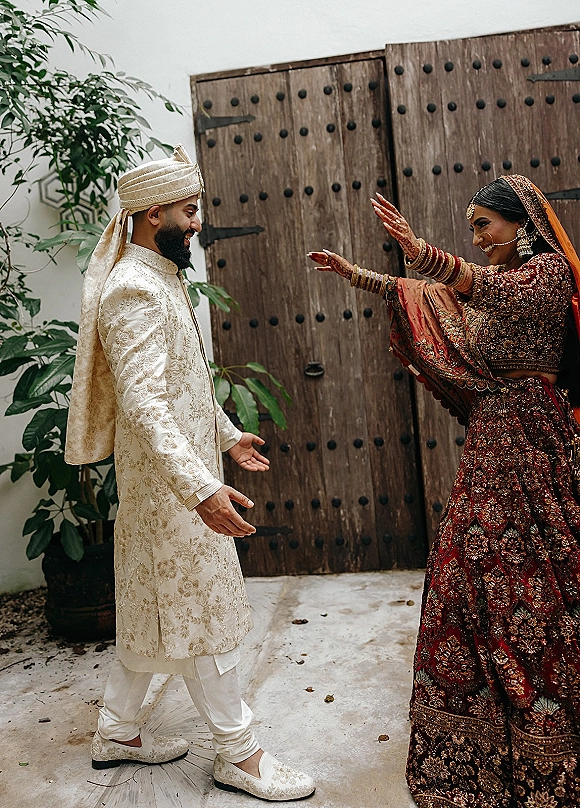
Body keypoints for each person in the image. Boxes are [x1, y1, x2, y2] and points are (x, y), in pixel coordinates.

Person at [308, 174, 580, 808]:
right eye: (473, 225)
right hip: (493, 439)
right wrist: (362, 277)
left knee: (540, 569)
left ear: (524, 223)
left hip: (534, 438)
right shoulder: (500, 285)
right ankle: (481, 729)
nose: (479, 235)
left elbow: (475, 286)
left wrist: (419, 244)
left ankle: (547, 722)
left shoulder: (545, 278)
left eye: (486, 223)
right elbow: (434, 297)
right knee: (470, 569)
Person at [65, 145, 315, 802]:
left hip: (180, 480)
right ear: (152, 215)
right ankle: (240, 753)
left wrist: (227, 438)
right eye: (188, 210)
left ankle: (118, 733)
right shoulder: (133, 290)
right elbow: (142, 402)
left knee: (159, 614)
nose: (197, 222)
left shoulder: (158, 279)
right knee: (203, 619)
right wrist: (199, 487)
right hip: (168, 493)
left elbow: (182, 384)